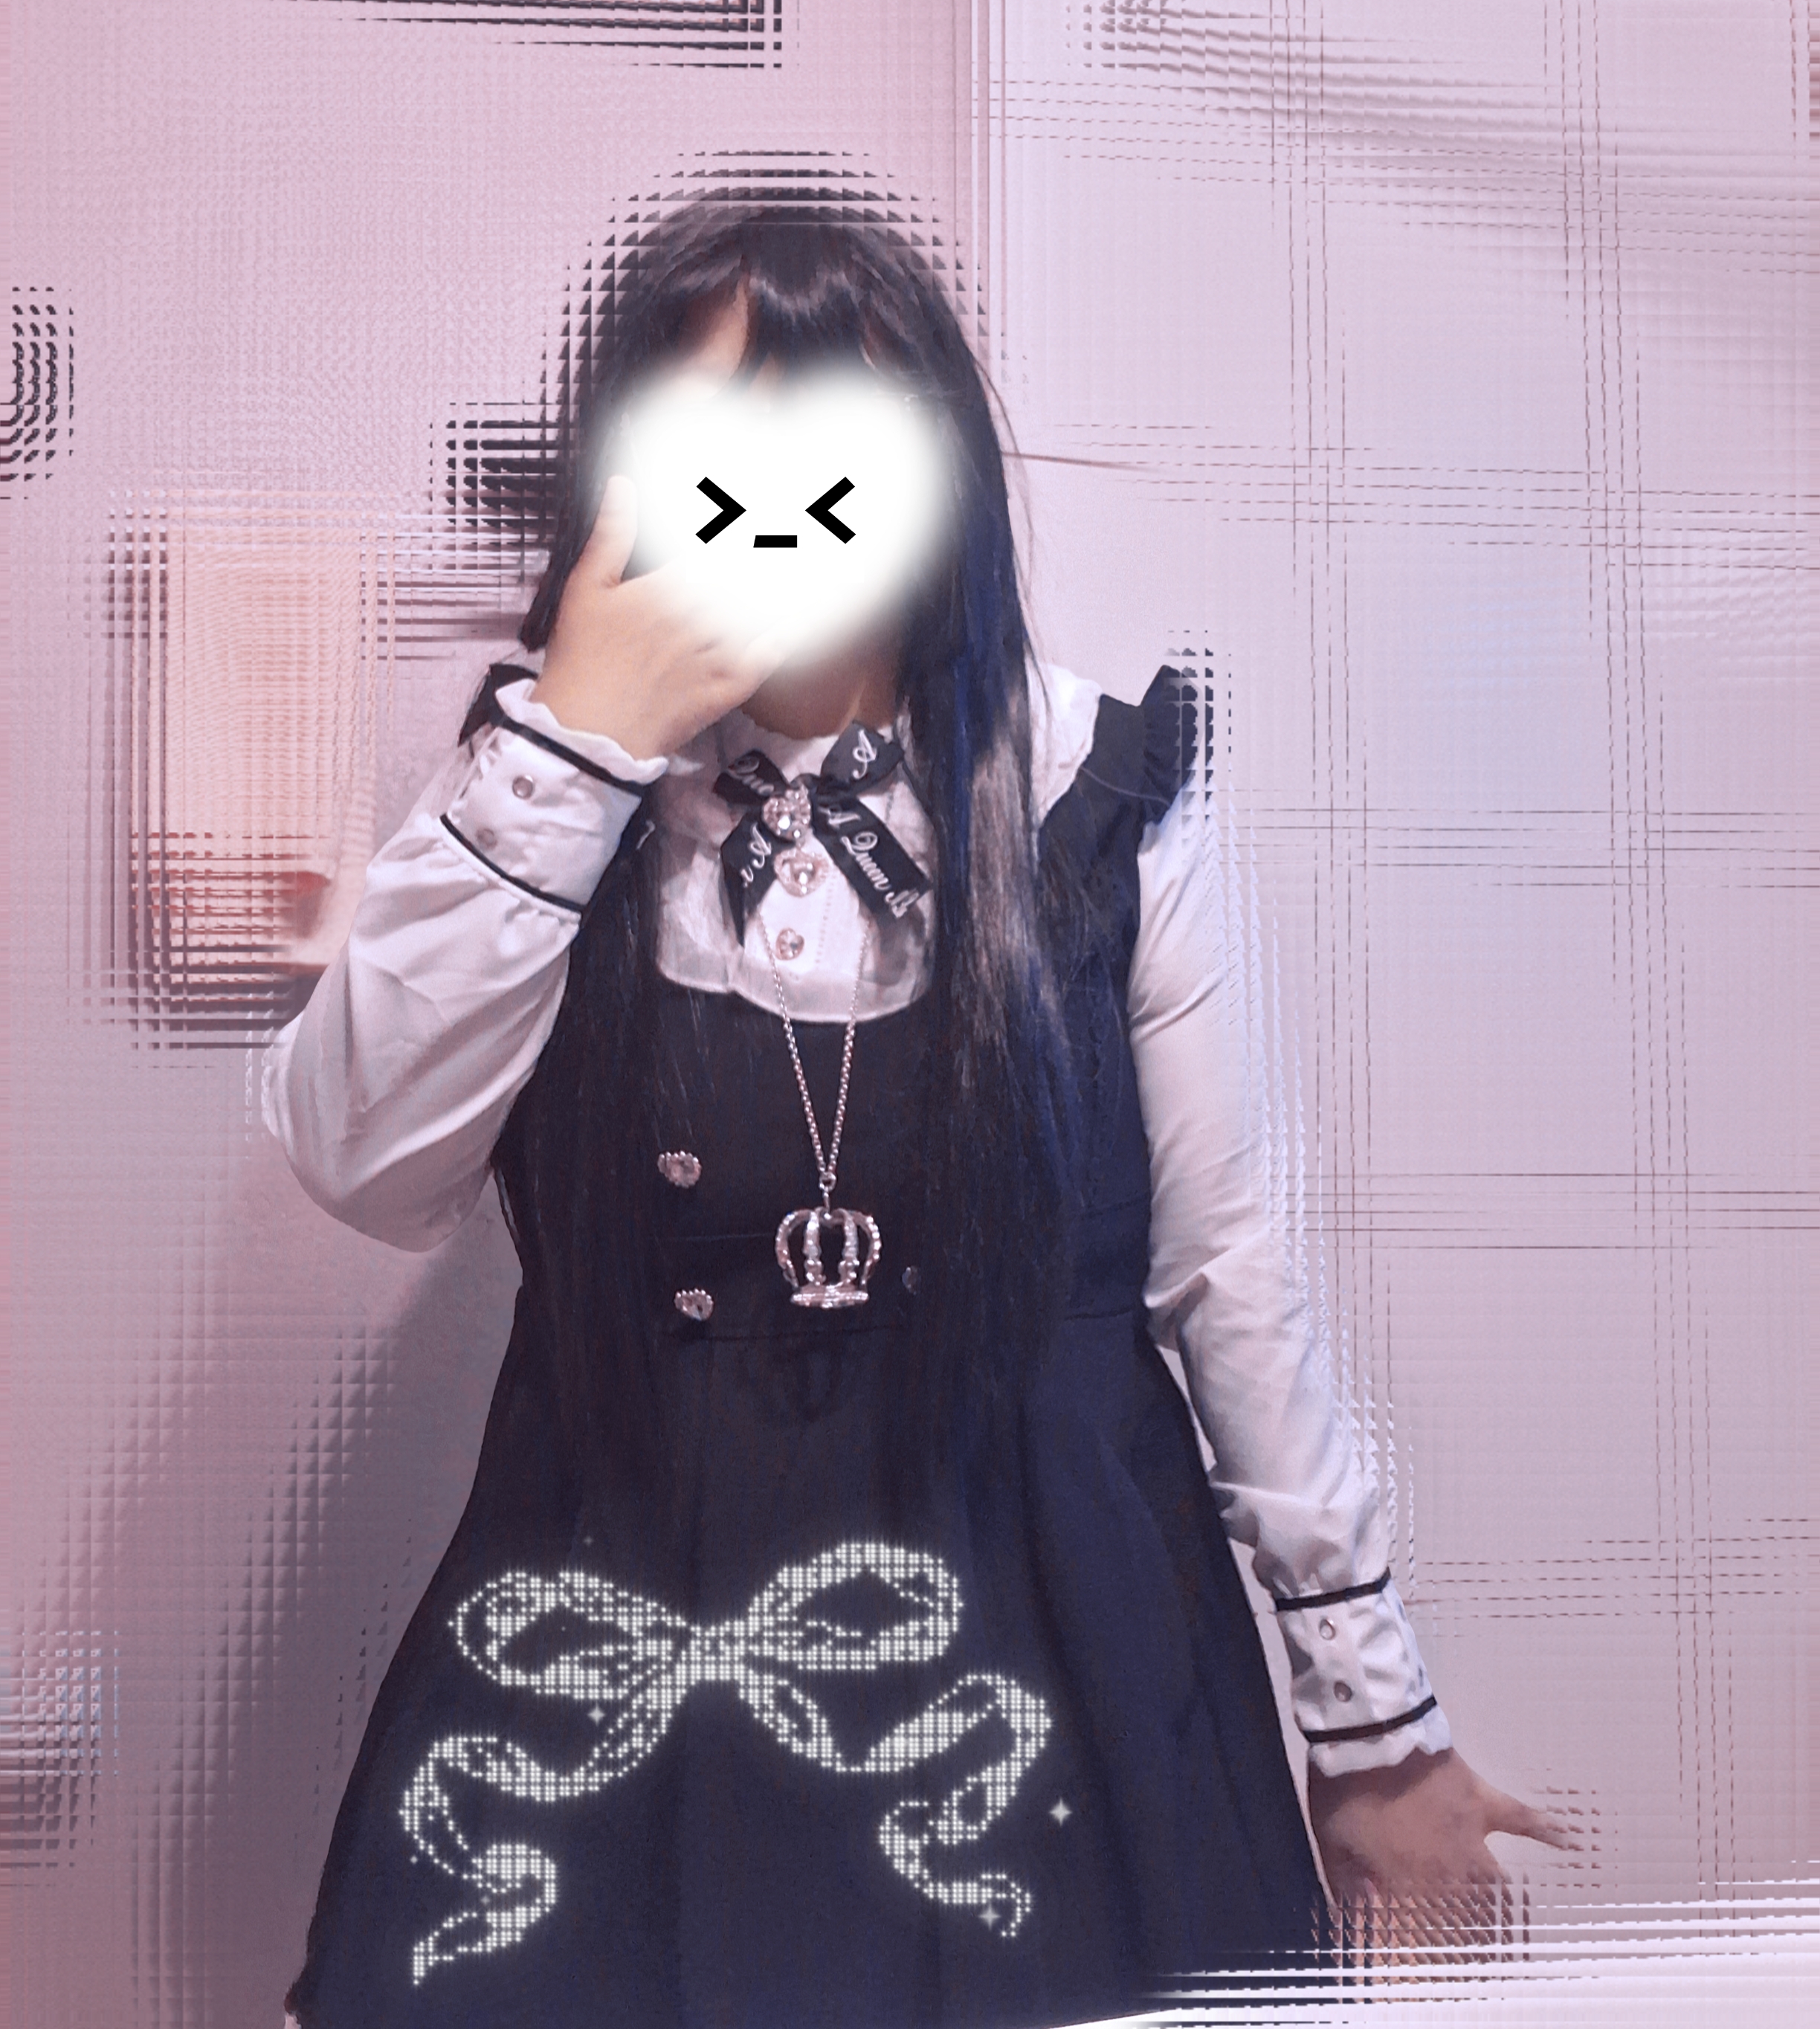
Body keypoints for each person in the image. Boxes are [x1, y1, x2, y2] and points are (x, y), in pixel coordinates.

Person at [266, 201, 1566, 2029]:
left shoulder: (1097, 781)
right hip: (630, 1619)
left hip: (1060, 1631)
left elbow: (1234, 1273)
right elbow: (361, 1159)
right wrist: (583, 737)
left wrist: (1376, 1725)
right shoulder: (533, 777)